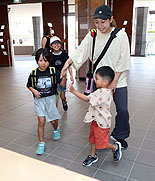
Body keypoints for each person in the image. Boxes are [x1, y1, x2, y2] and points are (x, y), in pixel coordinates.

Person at [61, 5, 131, 149]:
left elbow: (123, 59)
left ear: (110, 19)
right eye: (97, 22)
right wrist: (67, 63)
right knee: (99, 109)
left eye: (103, 22)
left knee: (122, 109)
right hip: (99, 81)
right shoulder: (92, 35)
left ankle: (119, 134)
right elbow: (81, 51)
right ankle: (100, 134)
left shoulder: (120, 35)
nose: (100, 26)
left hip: (118, 80)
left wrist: (114, 82)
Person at [69, 66, 122, 166]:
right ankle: (93, 156)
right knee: (92, 139)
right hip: (95, 120)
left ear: (105, 81)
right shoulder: (101, 91)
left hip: (102, 123)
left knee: (102, 144)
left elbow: (86, 99)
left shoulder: (103, 93)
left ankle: (115, 147)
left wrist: (74, 91)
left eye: (97, 79)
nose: (95, 81)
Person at [27, 48, 66, 155]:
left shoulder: (54, 72)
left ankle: (55, 129)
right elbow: (29, 85)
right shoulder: (34, 73)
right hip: (39, 100)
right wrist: (34, 91)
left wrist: (64, 76)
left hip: (51, 99)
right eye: (40, 61)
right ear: (36, 61)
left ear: (49, 61)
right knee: (41, 121)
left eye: (45, 61)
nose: (43, 63)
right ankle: (41, 143)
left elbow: (62, 86)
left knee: (53, 120)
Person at [49, 36, 74, 111]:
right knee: (53, 97)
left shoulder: (64, 54)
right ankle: (54, 112)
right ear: (51, 46)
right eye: (54, 44)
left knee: (62, 96)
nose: (56, 45)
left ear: (61, 45)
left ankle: (64, 102)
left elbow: (69, 66)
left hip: (62, 77)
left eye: (58, 43)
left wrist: (71, 76)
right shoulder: (49, 55)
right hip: (52, 78)